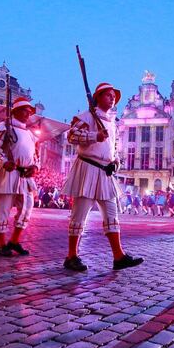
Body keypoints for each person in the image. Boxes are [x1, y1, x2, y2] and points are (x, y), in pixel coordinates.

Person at [61, 82, 143, 272]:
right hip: (88, 168)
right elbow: (71, 136)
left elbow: (112, 147)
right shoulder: (86, 116)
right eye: (108, 95)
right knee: (79, 215)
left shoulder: (111, 122)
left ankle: (118, 256)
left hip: (106, 171)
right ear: (97, 97)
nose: (112, 98)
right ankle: (71, 255)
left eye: (113, 96)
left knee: (112, 215)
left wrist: (116, 161)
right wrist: (93, 136)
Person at [0, 97, 39, 256]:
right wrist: (4, 161)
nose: (28, 113)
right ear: (15, 111)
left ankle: (14, 241)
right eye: (25, 109)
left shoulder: (30, 134)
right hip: (8, 172)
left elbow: (35, 154)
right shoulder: (3, 127)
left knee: (26, 208)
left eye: (30, 111)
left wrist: (35, 166)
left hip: (25, 175)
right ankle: (0, 244)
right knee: (3, 209)